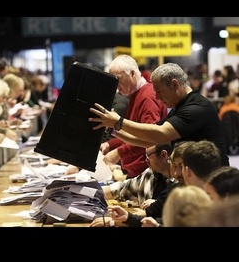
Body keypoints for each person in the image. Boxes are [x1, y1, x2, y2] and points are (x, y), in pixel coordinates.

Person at [89, 62, 229, 167]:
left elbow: (161, 134)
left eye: (159, 91)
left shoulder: (197, 107)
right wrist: (113, 128)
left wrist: (118, 122)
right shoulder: (179, 107)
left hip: (214, 179)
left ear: (174, 84)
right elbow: (149, 139)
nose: (157, 96)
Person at [99, 55, 168, 180]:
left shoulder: (147, 97)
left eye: (118, 79)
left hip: (145, 172)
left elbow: (149, 138)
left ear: (132, 73)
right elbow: (134, 133)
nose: (116, 85)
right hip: (136, 171)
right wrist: (111, 144)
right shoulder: (135, 94)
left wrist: (119, 152)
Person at [89, 143, 180, 227]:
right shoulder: (150, 174)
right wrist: (89, 193)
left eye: (148, 155)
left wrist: (113, 222)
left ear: (164, 155)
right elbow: (121, 188)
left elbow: (153, 217)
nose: (145, 159)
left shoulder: (181, 185)